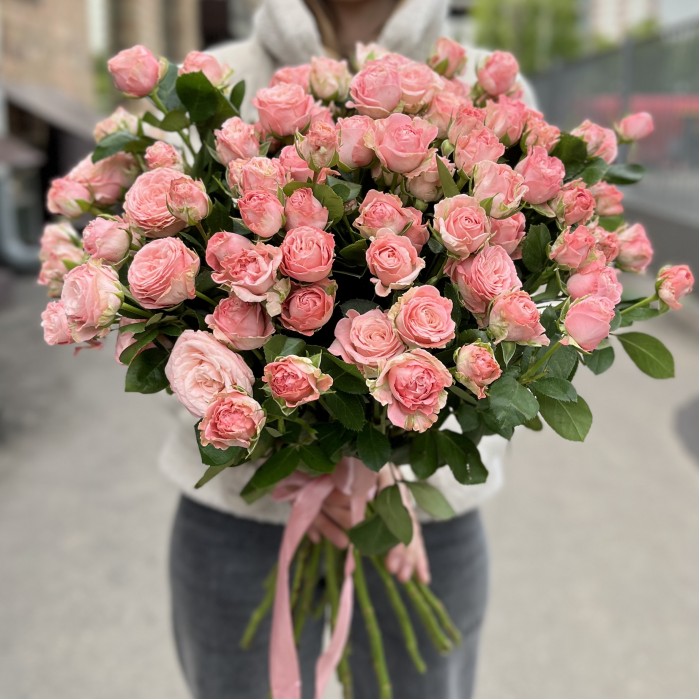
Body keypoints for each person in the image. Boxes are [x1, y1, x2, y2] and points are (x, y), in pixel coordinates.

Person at [164, 1, 534, 697]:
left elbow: (522, 315)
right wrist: (307, 461)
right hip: (242, 516)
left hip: (425, 517)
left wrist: (379, 478)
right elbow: (167, 336)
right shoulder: (219, 83)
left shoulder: (487, 89)